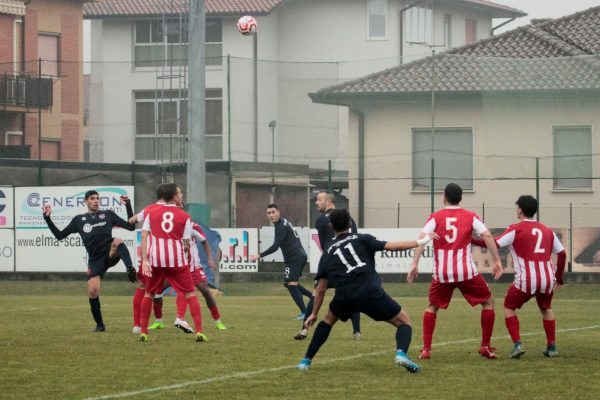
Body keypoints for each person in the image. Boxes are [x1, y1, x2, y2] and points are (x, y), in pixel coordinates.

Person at [295, 209, 436, 372]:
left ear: (330, 226)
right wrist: (422, 241)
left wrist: (313, 313)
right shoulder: (362, 239)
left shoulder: (327, 253)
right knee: (404, 322)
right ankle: (401, 354)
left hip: (344, 296)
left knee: (327, 321)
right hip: (369, 291)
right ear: (350, 223)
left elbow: (320, 289)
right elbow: (392, 246)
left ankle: (306, 361)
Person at [407, 183, 502, 359]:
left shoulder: (435, 217)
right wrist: (496, 260)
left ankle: (427, 349)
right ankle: (485, 346)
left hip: (442, 273)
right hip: (466, 272)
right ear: (460, 198)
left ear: (444, 197)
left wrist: (415, 263)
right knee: (488, 301)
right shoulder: (470, 216)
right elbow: (487, 235)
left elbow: (422, 238)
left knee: (432, 307)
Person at [471, 195, 566, 358]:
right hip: (547, 278)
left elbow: (494, 243)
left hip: (527, 279)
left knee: (509, 307)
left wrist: (470, 239)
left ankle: (518, 344)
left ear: (520, 210)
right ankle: (552, 347)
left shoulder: (517, 228)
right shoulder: (547, 230)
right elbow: (562, 253)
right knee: (546, 308)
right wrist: (559, 277)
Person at [42, 190, 137, 332]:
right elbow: (60, 235)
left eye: (98, 198)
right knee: (93, 291)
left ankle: (130, 268)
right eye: (92, 198)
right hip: (95, 260)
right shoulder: (78, 220)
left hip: (110, 253)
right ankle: (100, 325)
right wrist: (47, 218)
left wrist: (128, 205)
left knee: (118, 241)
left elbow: (131, 226)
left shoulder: (108, 214)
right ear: (85, 201)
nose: (96, 201)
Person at [138, 183, 207, 342]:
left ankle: (143, 332)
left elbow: (144, 236)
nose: (181, 195)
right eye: (180, 193)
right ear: (174, 196)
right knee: (190, 293)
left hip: (156, 259)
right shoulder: (185, 216)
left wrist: (145, 259)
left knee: (149, 293)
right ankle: (199, 332)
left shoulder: (152, 212)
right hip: (176, 260)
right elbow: (185, 242)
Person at [295, 191, 361, 340]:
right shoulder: (350, 219)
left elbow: (325, 245)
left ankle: (304, 330)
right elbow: (355, 239)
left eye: (319, 200)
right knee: (351, 294)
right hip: (349, 263)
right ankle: (357, 331)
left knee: (317, 293)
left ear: (329, 202)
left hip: (332, 262)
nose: (316, 202)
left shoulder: (321, 220)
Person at [250, 204, 312, 319]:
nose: (271, 215)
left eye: (273, 212)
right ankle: (312, 296)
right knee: (289, 283)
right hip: (298, 256)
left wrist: (259, 255)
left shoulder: (281, 227)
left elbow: (275, 247)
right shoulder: (283, 222)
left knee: (291, 285)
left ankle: (304, 312)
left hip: (295, 258)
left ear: (279, 212)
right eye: (269, 213)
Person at [174, 221, 227, 332]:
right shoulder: (169, 226)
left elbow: (204, 241)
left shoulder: (192, 225)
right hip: (179, 267)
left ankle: (217, 320)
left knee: (206, 292)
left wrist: (210, 258)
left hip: (194, 268)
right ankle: (165, 320)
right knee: (158, 289)